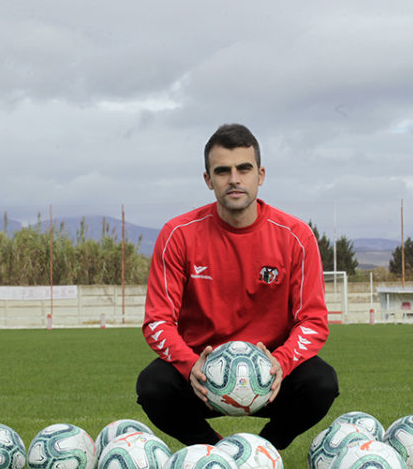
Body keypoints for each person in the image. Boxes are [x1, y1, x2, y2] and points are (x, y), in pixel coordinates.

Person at [135, 123, 338, 450]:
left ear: (260, 175)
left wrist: (281, 362)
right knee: (153, 386)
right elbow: (157, 321)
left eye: (244, 168)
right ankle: (216, 454)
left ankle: (263, 453)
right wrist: (190, 366)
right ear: (208, 180)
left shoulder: (296, 237)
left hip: (270, 374)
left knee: (321, 383)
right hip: (200, 374)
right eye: (222, 170)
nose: (234, 178)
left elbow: (313, 321)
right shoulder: (179, 235)